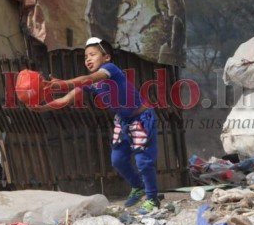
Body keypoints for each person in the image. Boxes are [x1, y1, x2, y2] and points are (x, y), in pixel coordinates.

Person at [29, 37, 161, 214]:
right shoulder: (91, 85)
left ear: (106, 57)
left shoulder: (110, 69)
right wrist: (43, 108)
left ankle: (152, 199)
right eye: (85, 57)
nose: (88, 59)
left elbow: (87, 78)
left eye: (92, 54)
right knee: (118, 160)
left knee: (143, 162)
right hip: (123, 121)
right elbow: (65, 100)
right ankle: (138, 187)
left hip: (141, 118)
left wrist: (64, 83)